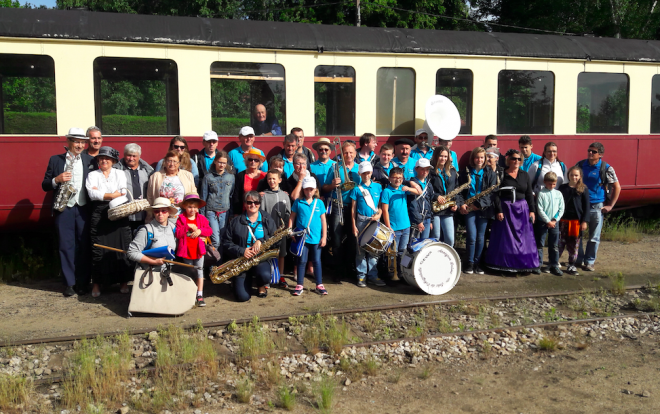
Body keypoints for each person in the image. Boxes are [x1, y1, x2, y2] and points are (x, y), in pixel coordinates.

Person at [41, 127, 93, 296]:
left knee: (84, 246)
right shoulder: (55, 160)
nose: (79, 145)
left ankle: (83, 282)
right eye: (76, 141)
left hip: (84, 208)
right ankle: (69, 283)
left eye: (82, 142)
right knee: (66, 246)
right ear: (68, 142)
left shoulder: (90, 160)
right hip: (64, 209)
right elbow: (45, 185)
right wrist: (57, 179)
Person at [86, 146, 132, 298]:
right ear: (98, 160)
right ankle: (97, 284)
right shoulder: (92, 175)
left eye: (107, 158)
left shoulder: (120, 173)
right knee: (98, 248)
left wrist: (104, 194)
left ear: (113, 161)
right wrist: (113, 194)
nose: (104, 160)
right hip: (99, 213)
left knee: (122, 246)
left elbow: (124, 192)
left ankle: (123, 282)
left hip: (118, 211)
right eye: (101, 158)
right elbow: (92, 194)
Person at [485, 149, 538, 274]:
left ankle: (522, 265)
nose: (516, 161)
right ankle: (503, 265)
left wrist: (532, 210)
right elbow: (496, 194)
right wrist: (499, 210)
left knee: (523, 239)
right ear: (509, 160)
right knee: (506, 238)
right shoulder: (502, 174)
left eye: (519, 159)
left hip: (522, 210)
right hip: (506, 209)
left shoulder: (525, 175)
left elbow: (529, 194)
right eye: (514, 158)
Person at [223, 191, 280, 301]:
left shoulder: (267, 219)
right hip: (242, 260)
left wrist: (261, 240)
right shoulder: (235, 221)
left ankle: (261, 285)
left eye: (256, 202)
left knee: (264, 275)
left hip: (260, 259)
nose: (253, 205)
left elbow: (276, 239)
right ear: (244, 203)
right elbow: (226, 242)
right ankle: (240, 282)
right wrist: (241, 250)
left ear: (260, 203)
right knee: (242, 297)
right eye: (249, 202)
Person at [575, 142, 621, 271]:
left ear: (600, 154)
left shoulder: (606, 168)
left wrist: (611, 205)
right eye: (589, 150)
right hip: (581, 205)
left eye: (594, 152)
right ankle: (578, 258)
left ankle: (590, 261)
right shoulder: (580, 165)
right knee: (578, 234)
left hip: (596, 206)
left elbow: (617, 187)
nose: (590, 153)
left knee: (594, 236)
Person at [323, 140, 361, 282]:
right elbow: (324, 188)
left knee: (353, 239)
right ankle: (338, 270)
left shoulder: (359, 168)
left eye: (351, 152)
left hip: (354, 208)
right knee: (337, 240)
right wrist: (332, 185)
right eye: (345, 152)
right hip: (338, 205)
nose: (348, 155)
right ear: (341, 154)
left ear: (355, 153)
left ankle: (350, 268)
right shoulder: (335, 168)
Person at [458, 147, 497, 275]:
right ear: (473, 158)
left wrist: (479, 204)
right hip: (468, 207)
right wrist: (461, 204)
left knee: (481, 237)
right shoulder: (466, 172)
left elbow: (492, 193)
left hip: (483, 208)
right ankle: (469, 262)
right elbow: (459, 191)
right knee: (471, 236)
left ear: (485, 158)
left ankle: (478, 262)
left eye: (482, 157)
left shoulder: (490, 173)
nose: (479, 160)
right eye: (477, 157)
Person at [289, 177, 327, 296]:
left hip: (316, 238)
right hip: (302, 238)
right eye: (306, 189)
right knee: (302, 261)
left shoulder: (319, 203)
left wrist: (324, 236)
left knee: (316, 261)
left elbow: (323, 221)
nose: (309, 191)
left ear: (315, 189)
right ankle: (300, 284)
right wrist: (290, 231)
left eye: (311, 189)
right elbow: (292, 217)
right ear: (303, 190)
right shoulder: (298, 202)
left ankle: (319, 284)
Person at [380, 167, 420, 280]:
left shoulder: (403, 188)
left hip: (406, 226)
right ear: (390, 178)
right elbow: (384, 210)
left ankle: (402, 273)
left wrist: (409, 188)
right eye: (395, 177)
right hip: (394, 227)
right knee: (393, 252)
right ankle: (392, 274)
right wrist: (388, 227)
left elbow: (419, 191)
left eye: (400, 178)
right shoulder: (386, 191)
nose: (398, 180)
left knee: (404, 251)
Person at [351, 161, 386, 287]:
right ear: (359, 173)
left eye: (368, 172)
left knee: (373, 249)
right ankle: (361, 276)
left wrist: (379, 214)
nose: (366, 175)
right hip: (361, 221)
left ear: (371, 173)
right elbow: (353, 209)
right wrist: (353, 225)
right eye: (364, 173)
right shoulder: (356, 189)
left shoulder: (378, 187)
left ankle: (373, 275)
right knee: (360, 250)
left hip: (374, 221)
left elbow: (381, 205)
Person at [175, 193, 212, 307]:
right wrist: (187, 227)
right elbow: (178, 234)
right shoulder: (181, 219)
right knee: (190, 271)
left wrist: (200, 231)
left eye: (195, 207)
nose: (192, 209)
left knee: (200, 271)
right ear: (185, 206)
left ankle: (200, 295)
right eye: (190, 207)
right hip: (186, 250)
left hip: (198, 249)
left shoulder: (201, 218)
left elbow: (209, 230)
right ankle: (190, 293)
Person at [113, 143, 154, 232]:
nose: (131, 159)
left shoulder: (147, 170)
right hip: (124, 214)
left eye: (134, 156)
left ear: (139, 156)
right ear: (124, 155)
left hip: (144, 214)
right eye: (128, 155)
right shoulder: (117, 170)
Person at [260, 169, 291, 285]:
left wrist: (286, 227)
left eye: (274, 178)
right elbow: (262, 213)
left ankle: (281, 276)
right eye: (269, 178)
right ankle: (267, 278)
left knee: (281, 254)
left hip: (281, 231)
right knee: (268, 254)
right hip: (268, 232)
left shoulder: (284, 195)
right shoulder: (264, 195)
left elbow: (288, 213)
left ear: (279, 180)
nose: (272, 181)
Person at [126, 197, 177, 267]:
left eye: (164, 211)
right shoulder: (146, 230)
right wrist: (153, 261)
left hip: (168, 273)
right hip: (149, 273)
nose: (160, 214)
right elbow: (131, 252)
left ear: (169, 212)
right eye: (157, 211)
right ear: (153, 212)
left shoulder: (173, 228)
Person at [558, 166, 591, 276]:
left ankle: (571, 264)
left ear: (580, 176)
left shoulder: (583, 189)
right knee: (560, 243)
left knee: (574, 244)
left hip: (576, 222)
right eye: (572, 175)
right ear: (568, 176)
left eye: (576, 175)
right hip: (562, 220)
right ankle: (554, 262)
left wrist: (585, 221)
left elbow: (587, 206)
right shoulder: (563, 188)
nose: (574, 177)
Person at [200, 150, 234, 250]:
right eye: (219, 162)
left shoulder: (231, 177)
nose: (221, 165)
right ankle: (214, 263)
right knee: (215, 240)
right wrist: (202, 216)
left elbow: (231, 195)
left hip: (225, 212)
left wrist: (231, 214)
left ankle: (221, 264)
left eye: (224, 163)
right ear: (215, 161)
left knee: (223, 239)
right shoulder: (208, 177)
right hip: (211, 211)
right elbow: (203, 197)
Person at [147, 150, 196, 218]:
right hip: (162, 216)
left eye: (175, 161)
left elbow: (193, 196)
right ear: (165, 162)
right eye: (169, 161)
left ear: (179, 163)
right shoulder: (155, 176)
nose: (172, 164)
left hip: (182, 215)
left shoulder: (188, 175)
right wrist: (149, 216)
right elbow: (150, 198)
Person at [533, 172, 565, 276]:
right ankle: (538, 264)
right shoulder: (541, 193)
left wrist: (555, 220)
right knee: (540, 244)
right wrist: (548, 221)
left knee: (554, 245)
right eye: (549, 184)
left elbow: (561, 208)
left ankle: (554, 265)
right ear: (545, 182)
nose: (552, 186)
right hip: (543, 222)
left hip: (555, 222)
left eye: (554, 184)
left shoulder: (558, 194)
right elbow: (540, 209)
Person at [429, 145, 458, 246]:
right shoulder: (430, 171)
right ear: (436, 156)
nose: (443, 159)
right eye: (441, 156)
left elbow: (456, 189)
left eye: (445, 156)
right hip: (435, 208)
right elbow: (427, 189)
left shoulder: (452, 171)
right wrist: (436, 196)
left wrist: (456, 203)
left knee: (450, 239)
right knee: (435, 237)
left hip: (447, 208)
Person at [232, 148, 267, 215]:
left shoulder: (265, 176)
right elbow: (236, 196)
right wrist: (236, 213)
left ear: (259, 162)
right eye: (250, 159)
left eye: (256, 160)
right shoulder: (240, 176)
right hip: (243, 212)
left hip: (261, 212)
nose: (253, 162)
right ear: (247, 161)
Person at [408, 158, 434, 241]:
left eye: (427, 169)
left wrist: (431, 220)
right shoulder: (412, 183)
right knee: (415, 243)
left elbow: (429, 202)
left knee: (424, 242)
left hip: (427, 218)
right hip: (416, 220)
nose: (425, 172)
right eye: (422, 169)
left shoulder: (428, 184)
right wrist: (418, 221)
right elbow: (412, 204)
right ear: (416, 169)